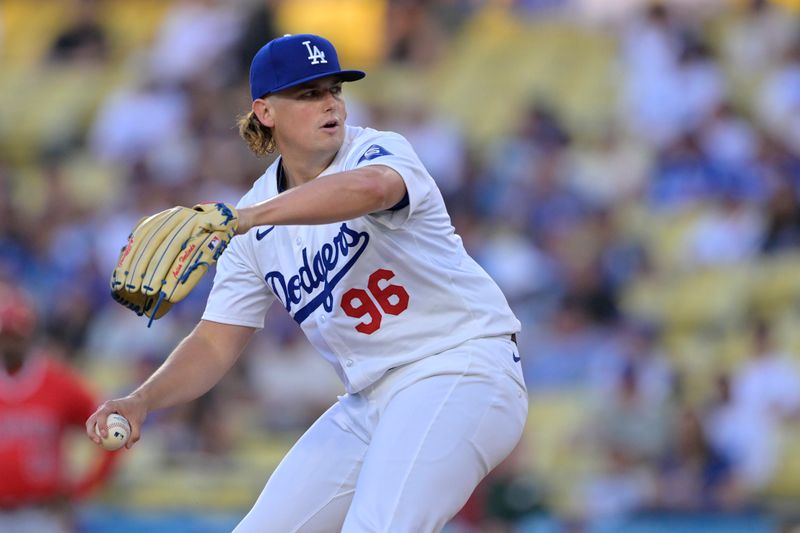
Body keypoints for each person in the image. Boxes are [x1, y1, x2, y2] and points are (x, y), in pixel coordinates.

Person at [86, 33, 528, 532]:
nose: (330, 104)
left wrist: (247, 217)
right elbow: (214, 342)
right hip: (369, 400)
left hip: (459, 367)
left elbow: (371, 189)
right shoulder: (251, 220)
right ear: (265, 111)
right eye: (308, 93)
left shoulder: (375, 150)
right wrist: (142, 398)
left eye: (334, 89)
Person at [0, 282, 119, 533]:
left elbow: (111, 429)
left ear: (30, 335)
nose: (10, 344)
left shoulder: (58, 383)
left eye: (16, 335)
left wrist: (83, 487)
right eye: (5, 336)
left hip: (42, 515)